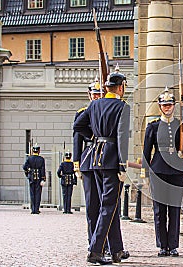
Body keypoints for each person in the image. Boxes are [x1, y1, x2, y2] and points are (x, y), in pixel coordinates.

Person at [73, 70, 130, 265]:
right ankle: (95, 250)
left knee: (109, 206)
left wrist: (94, 138)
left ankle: (116, 250)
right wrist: (123, 166)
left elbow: (78, 126)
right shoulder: (123, 106)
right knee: (108, 206)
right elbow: (122, 138)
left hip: (95, 157)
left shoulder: (94, 104)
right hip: (112, 160)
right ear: (121, 87)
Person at [141, 87, 183, 257]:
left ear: (174, 106)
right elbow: (146, 152)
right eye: (164, 105)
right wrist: (145, 173)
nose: (167, 108)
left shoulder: (180, 125)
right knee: (159, 210)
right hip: (158, 170)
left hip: (176, 170)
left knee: (174, 209)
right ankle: (162, 245)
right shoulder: (152, 126)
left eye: (170, 105)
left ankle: (173, 245)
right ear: (160, 107)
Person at [73, 80, 102, 244]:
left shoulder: (106, 110)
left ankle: (105, 241)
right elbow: (77, 139)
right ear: (89, 95)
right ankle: (93, 240)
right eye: (94, 94)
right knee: (92, 204)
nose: (97, 97)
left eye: (99, 94)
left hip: (105, 157)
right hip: (89, 157)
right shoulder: (83, 112)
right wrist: (76, 163)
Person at [23, 144, 46, 214]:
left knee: (32, 193)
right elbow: (43, 169)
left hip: (32, 177)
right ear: (39, 151)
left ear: (32, 150)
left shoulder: (29, 158)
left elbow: (24, 167)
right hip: (39, 178)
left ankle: (33, 209)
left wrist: (28, 173)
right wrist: (43, 179)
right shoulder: (41, 159)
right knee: (38, 194)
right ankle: (36, 209)